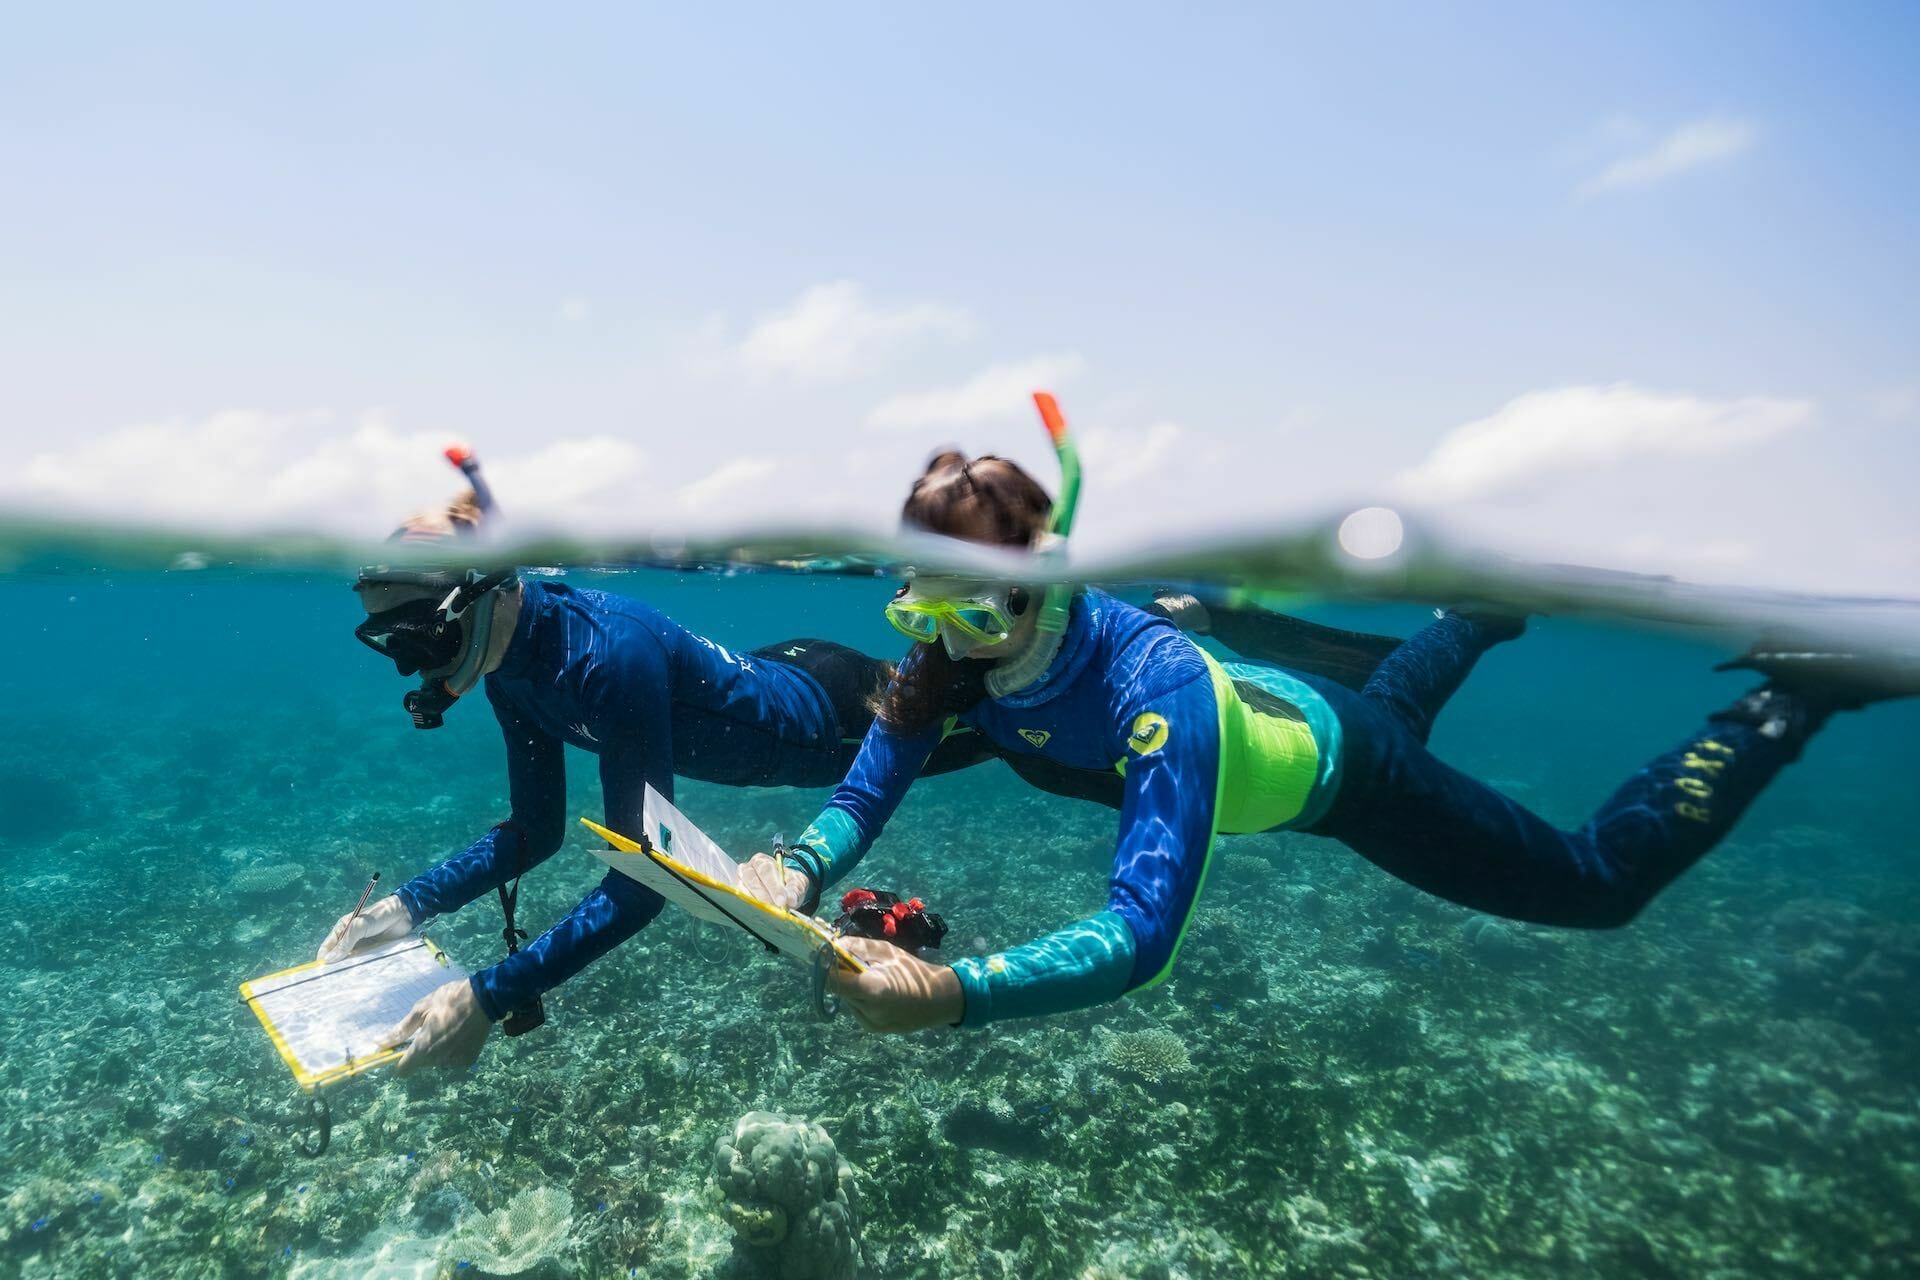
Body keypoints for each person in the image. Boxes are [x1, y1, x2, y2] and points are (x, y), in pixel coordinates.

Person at [740, 401, 1915, 1035]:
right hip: (1306, 716)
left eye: (963, 604)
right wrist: (798, 868)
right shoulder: (951, 655)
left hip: (1349, 777)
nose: (939, 633)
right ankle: (1476, 611)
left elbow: (1142, 930)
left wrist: (956, 991)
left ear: (1041, 580)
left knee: (1593, 882)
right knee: (1388, 695)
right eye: (918, 602)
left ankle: (1784, 698)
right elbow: (869, 782)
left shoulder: (1155, 689)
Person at [318, 453, 1004, 1074]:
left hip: (834, 724)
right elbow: (535, 830)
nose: (413, 668)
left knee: (1004, 725)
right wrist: (408, 906)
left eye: (423, 638)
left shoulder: (606, 660)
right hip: (790, 668)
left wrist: (487, 997)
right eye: (392, 645)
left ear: (481, 595)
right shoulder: (511, 671)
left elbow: (643, 883)